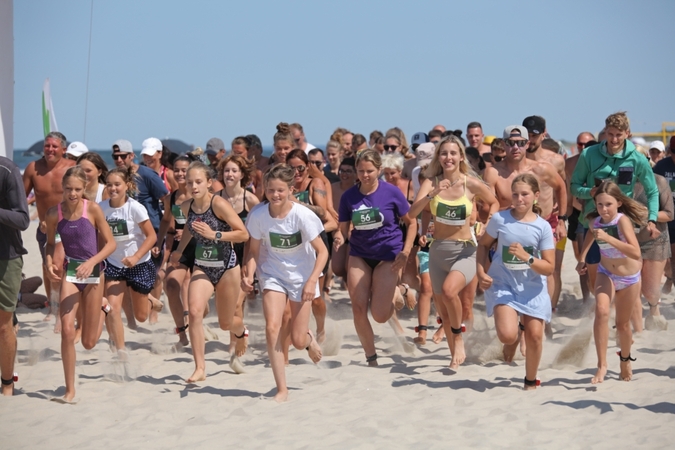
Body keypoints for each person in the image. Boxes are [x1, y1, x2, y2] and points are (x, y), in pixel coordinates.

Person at [410, 136, 499, 368]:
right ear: (438, 157)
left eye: (453, 153)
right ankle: (454, 358)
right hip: (438, 250)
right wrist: (432, 193)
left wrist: (487, 223)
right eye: (444, 153)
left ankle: (458, 337)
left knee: (450, 292)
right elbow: (412, 213)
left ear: (460, 157)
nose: (448, 157)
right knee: (444, 312)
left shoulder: (471, 184)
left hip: (465, 250)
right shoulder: (431, 182)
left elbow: (494, 202)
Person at [242, 164, 327, 402]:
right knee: (272, 327)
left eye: (280, 190)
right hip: (272, 274)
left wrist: (312, 281)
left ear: (291, 189)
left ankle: (308, 339)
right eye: (271, 190)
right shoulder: (258, 215)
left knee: (298, 341)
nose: (275, 195)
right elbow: (254, 251)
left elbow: (322, 253)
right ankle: (282, 389)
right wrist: (248, 275)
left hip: (302, 276)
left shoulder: (303, 216)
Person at [333, 150, 416, 366]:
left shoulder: (392, 192)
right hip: (360, 254)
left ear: (379, 170)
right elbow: (342, 229)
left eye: (369, 171)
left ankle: (400, 290)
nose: (365, 175)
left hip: (388, 256)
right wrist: (339, 238)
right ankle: (371, 358)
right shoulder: (349, 197)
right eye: (361, 171)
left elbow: (412, 222)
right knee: (359, 307)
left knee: (380, 315)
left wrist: (406, 251)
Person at [169, 162, 249, 383]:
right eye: (190, 182)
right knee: (194, 312)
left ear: (209, 183)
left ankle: (241, 332)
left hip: (226, 269)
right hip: (202, 266)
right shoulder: (186, 207)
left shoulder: (219, 204)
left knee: (226, 324)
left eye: (198, 182)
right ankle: (200, 368)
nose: (193, 186)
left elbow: (243, 234)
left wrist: (216, 235)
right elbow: (189, 227)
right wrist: (178, 251)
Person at [45, 166, 116, 403]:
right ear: (62, 188)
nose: (72, 194)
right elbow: (49, 243)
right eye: (68, 189)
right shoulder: (54, 213)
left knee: (88, 343)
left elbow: (110, 244)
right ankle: (69, 390)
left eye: (77, 189)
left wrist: (92, 261)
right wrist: (48, 261)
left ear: (84, 189)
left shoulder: (92, 209)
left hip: (95, 274)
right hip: (71, 274)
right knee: (66, 331)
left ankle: (103, 309)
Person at [477, 174, 555, 390]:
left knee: (536, 336)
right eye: (515, 194)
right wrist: (481, 271)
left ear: (536, 196)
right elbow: (483, 245)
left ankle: (530, 380)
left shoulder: (543, 227)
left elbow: (549, 267)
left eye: (525, 194)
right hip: (504, 283)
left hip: (532, 286)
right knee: (507, 335)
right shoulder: (500, 219)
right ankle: (516, 329)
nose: (519, 199)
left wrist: (527, 257)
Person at [571, 112, 659, 294]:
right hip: (595, 220)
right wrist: (590, 192)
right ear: (605, 133)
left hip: (623, 222)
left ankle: (616, 314)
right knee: (594, 277)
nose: (614, 139)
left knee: (624, 272)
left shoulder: (637, 158)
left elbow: (652, 191)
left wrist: (652, 219)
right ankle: (602, 307)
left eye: (619, 134)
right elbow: (574, 187)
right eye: (610, 134)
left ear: (627, 133)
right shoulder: (589, 154)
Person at [576, 181, 646, 384]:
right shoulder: (595, 222)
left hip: (629, 277)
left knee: (623, 325)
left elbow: (635, 252)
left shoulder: (622, 221)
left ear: (618, 203)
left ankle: (625, 360)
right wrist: (582, 257)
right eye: (599, 205)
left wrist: (608, 238)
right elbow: (591, 231)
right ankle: (602, 365)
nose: (604, 209)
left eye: (608, 204)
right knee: (601, 310)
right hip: (606, 272)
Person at [100, 167, 162, 353]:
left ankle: (150, 301)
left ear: (127, 186)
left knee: (141, 316)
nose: (113, 188)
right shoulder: (102, 208)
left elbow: (151, 237)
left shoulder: (135, 208)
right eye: (109, 185)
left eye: (117, 184)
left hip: (139, 263)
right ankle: (121, 351)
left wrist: (135, 257)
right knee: (112, 308)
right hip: (113, 263)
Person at [23, 131, 75, 331]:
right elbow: (21, 196)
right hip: (45, 228)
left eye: (54, 146)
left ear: (64, 149)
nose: (50, 149)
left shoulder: (72, 168)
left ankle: (66, 310)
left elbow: (85, 196)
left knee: (64, 268)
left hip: (70, 226)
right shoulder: (33, 168)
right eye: (47, 146)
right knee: (49, 267)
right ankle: (53, 308)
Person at [112, 139, 169, 323]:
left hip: (149, 232)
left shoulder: (147, 175)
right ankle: (130, 319)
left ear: (131, 156)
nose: (119, 160)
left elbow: (167, 200)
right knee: (125, 276)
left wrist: (165, 230)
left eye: (123, 156)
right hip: (125, 235)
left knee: (152, 276)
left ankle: (152, 310)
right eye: (116, 157)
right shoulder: (114, 178)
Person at [287, 149, 336, 342]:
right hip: (292, 247)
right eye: (292, 168)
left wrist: (296, 203)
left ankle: (321, 327)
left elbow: (324, 213)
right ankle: (296, 332)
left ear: (307, 166)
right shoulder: (284, 186)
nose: (296, 172)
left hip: (315, 246)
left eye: (300, 167)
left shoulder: (314, 184)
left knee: (315, 298)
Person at [216, 154, 260, 369]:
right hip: (222, 256)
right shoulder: (216, 198)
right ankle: (239, 335)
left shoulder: (250, 200)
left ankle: (234, 346)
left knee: (236, 302)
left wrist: (248, 264)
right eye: (226, 171)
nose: (230, 174)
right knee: (229, 304)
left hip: (246, 255)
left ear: (242, 174)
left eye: (234, 170)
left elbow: (258, 234)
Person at [522, 116, 567, 325]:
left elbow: (563, 188)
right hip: (523, 222)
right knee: (523, 268)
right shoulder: (517, 159)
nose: (530, 140)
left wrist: (562, 219)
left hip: (549, 221)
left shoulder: (555, 160)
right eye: (527, 135)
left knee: (551, 269)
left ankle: (546, 317)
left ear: (543, 134)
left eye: (534, 135)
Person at [155, 155, 196, 348]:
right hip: (181, 249)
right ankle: (182, 334)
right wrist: (159, 241)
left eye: (184, 170)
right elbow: (165, 221)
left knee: (199, 300)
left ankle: (196, 319)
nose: (180, 173)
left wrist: (189, 229)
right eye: (177, 170)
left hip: (202, 248)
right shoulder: (171, 198)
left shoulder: (201, 195)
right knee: (171, 285)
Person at [0, 156, 29, 395]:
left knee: (3, 327)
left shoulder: (6, 170)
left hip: (5, 257)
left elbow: (22, 219)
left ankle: (7, 383)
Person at [631, 174, 672, 332]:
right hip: (629, 240)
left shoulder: (658, 181)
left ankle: (654, 309)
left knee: (650, 292)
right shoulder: (617, 179)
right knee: (632, 287)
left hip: (655, 240)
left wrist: (644, 213)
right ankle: (636, 328)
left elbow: (669, 214)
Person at [565, 131, 595, 302]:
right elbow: (568, 191)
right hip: (576, 213)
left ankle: (590, 295)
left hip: (593, 212)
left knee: (588, 259)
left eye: (586, 144)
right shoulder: (570, 163)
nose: (583, 147)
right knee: (579, 257)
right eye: (580, 144)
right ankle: (586, 297)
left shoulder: (600, 162)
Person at [330, 157, 356, 281]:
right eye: (342, 171)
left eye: (348, 171)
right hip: (338, 231)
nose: (344, 174)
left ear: (356, 174)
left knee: (349, 267)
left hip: (354, 232)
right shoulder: (332, 188)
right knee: (337, 268)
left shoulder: (359, 189)